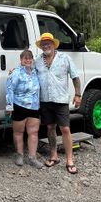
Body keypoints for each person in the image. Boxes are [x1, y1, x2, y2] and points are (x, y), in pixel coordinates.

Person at [35, 32, 81, 174]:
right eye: (43, 44)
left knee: (65, 129)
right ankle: (54, 156)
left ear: (54, 45)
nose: (46, 46)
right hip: (45, 100)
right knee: (50, 128)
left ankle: (70, 160)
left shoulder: (64, 58)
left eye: (48, 43)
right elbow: (28, 71)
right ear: (41, 46)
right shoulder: (37, 60)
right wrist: (14, 71)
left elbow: (75, 77)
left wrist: (78, 94)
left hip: (60, 100)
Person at [6, 49, 43, 168]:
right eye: (25, 58)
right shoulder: (16, 72)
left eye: (30, 58)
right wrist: (9, 106)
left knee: (33, 132)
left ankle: (32, 158)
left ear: (32, 60)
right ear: (21, 60)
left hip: (34, 107)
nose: (27, 60)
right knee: (18, 132)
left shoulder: (35, 72)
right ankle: (19, 155)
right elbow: (9, 88)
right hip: (19, 106)